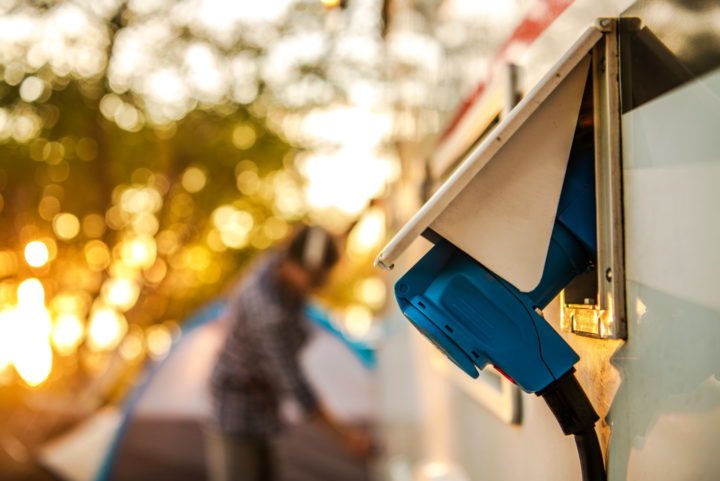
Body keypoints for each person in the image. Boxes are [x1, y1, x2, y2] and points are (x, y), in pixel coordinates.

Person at [206, 225, 371, 481]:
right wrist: (346, 436)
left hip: (265, 404)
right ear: (294, 265)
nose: (316, 287)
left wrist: (362, 216)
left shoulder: (279, 261)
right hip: (237, 407)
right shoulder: (270, 314)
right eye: (314, 278)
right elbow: (298, 390)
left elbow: (323, 242)